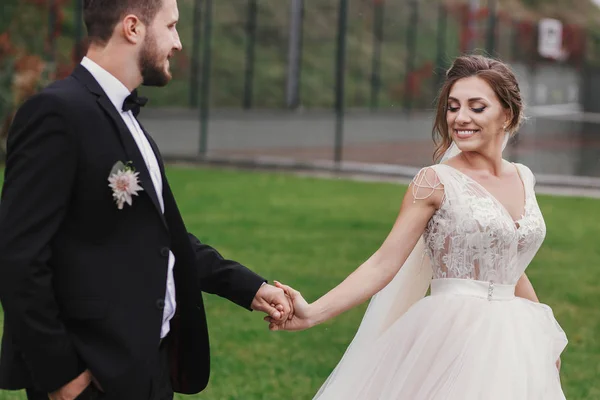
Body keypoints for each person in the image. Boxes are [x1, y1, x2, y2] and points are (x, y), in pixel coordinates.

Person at [0, 0, 292, 399]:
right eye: (171, 26)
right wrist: (63, 377)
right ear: (132, 27)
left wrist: (251, 288)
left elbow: (160, 237)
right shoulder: (55, 114)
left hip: (150, 369)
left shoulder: (131, 124)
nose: (178, 43)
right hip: (93, 377)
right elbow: (19, 256)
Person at [268, 55, 568, 399]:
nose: (460, 118)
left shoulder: (523, 177)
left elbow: (508, 263)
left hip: (515, 339)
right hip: (452, 333)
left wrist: (541, 337)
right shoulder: (434, 182)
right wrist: (312, 313)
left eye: (477, 107)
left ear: (507, 115)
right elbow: (384, 263)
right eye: (453, 107)